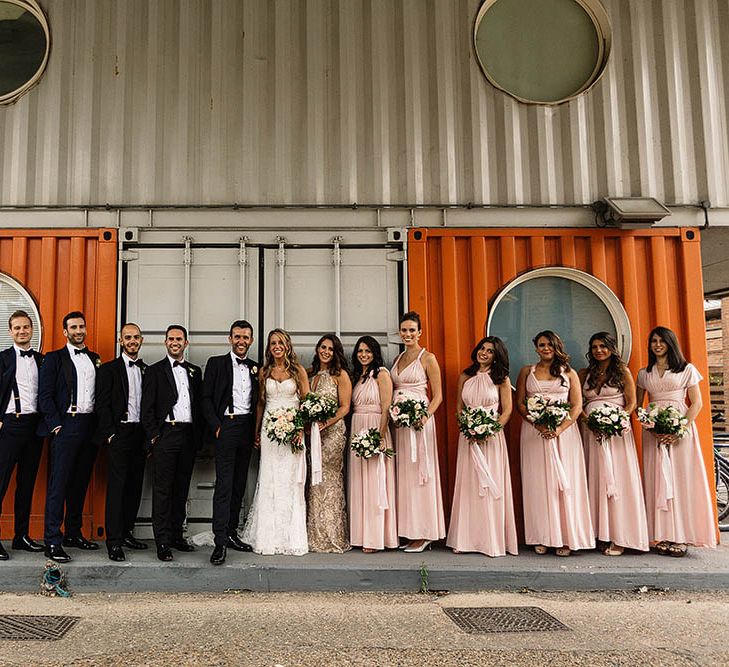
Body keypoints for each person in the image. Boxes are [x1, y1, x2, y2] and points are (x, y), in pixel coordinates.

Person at [636, 326, 717, 556]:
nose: (657, 344)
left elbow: (697, 403)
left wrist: (679, 428)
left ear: (671, 343)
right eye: (653, 341)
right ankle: (662, 533)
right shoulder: (644, 373)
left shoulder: (686, 369)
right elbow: (638, 407)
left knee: (680, 481)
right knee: (658, 481)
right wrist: (650, 426)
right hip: (654, 434)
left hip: (680, 431)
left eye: (662, 340)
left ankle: (681, 536)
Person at [515, 330, 594, 556]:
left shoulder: (568, 373)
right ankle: (542, 535)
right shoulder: (526, 372)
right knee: (538, 484)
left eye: (549, 344)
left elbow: (577, 406)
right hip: (534, 433)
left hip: (564, 433)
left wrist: (559, 428)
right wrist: (537, 423)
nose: (545, 348)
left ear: (557, 346)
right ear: (536, 347)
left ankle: (566, 537)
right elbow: (520, 403)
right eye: (541, 345)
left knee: (565, 484)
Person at [446, 336, 518, 557]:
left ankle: (491, 541)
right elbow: (459, 408)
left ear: (497, 356)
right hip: (468, 438)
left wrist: (489, 430)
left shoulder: (501, 379)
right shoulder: (465, 376)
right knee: (469, 486)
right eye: (482, 349)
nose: (484, 353)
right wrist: (467, 428)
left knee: (489, 487)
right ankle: (466, 539)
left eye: (490, 351)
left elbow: (506, 411)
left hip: (491, 439)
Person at [39, 311, 101, 563]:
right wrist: (56, 426)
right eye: (73, 327)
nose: (78, 330)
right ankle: (52, 540)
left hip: (89, 426)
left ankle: (73, 533)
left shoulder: (95, 358)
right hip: (66, 425)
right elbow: (44, 395)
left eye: (81, 326)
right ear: (65, 332)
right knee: (59, 484)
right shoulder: (54, 359)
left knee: (80, 483)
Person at [578, 332, 648, 556]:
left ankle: (621, 536)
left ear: (612, 348)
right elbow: (578, 402)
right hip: (591, 434)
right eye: (595, 346)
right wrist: (589, 421)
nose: (599, 350)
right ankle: (600, 534)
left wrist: (616, 421)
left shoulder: (622, 371)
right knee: (595, 479)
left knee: (618, 480)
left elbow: (631, 403)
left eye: (603, 346)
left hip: (616, 434)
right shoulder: (585, 373)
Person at [241, 329, 310, 555]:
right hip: (270, 431)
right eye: (272, 343)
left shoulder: (298, 371)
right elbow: (261, 403)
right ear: (269, 347)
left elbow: (306, 402)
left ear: (287, 345)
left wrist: (299, 427)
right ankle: (267, 536)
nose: (276, 346)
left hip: (293, 431)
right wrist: (257, 431)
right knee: (270, 478)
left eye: (280, 342)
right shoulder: (264, 371)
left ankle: (290, 537)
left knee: (290, 481)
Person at [141, 325, 203, 562]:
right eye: (171, 339)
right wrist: (154, 436)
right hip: (166, 434)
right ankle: (162, 542)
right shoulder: (155, 371)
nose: (175, 342)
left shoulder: (194, 371)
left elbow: (198, 405)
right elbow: (147, 408)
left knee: (181, 488)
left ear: (186, 343)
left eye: (179, 339)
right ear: (165, 342)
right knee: (163, 490)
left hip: (188, 435)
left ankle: (177, 536)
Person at [202, 320, 259, 565]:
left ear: (251, 341)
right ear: (230, 338)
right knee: (224, 485)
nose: (241, 341)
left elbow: (260, 402)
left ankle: (233, 533)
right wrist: (217, 427)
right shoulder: (216, 363)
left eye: (245, 337)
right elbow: (204, 398)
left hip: (247, 428)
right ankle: (220, 542)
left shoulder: (257, 368)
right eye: (237, 336)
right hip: (226, 426)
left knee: (239, 484)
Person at [390, 311, 445, 552]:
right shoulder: (398, 357)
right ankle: (409, 531)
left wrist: (424, 416)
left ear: (420, 332)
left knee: (421, 474)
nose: (408, 334)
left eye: (412, 330)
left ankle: (425, 532)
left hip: (420, 423)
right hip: (401, 425)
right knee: (405, 476)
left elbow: (439, 395)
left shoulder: (428, 358)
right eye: (404, 330)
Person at [95, 323, 149, 562]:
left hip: (140, 434)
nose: (132, 341)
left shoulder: (147, 370)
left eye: (136, 337)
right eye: (127, 337)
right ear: (121, 341)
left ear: (141, 340)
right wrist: (110, 435)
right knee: (117, 488)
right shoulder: (109, 370)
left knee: (134, 486)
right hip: (120, 433)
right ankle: (114, 541)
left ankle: (127, 532)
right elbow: (102, 405)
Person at [0, 310, 44, 560]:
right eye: (17, 328)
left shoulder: (42, 360)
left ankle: (21, 536)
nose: (22, 331)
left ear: (32, 330)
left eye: (25, 327)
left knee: (26, 484)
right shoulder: (3, 359)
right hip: (10, 426)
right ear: (10, 332)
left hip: (34, 428)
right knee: (1, 482)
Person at [348, 336, 397, 553]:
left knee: (374, 484)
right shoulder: (359, 377)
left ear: (375, 352)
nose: (363, 354)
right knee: (359, 483)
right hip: (358, 429)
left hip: (376, 428)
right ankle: (360, 534)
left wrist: (379, 437)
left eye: (368, 351)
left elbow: (386, 407)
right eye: (360, 351)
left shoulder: (382, 374)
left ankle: (376, 537)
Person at [306, 334, 352, 553]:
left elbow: (345, 407)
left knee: (328, 477)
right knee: (313, 479)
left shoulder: (340, 375)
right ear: (317, 349)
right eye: (323, 347)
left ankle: (333, 535)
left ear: (336, 353)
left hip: (333, 433)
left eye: (330, 349)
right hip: (314, 433)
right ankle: (314, 535)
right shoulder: (310, 375)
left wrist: (327, 422)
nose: (326, 351)